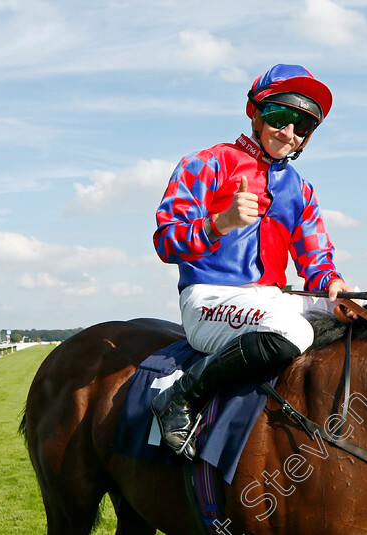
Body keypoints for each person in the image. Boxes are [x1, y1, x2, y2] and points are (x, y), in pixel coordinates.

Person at [151, 64, 354, 460]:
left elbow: (316, 260)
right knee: (292, 331)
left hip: (270, 300)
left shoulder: (300, 188)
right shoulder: (209, 162)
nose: (289, 132)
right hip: (209, 300)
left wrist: (333, 283)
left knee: (362, 317)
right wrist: (219, 224)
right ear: (256, 114)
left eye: (303, 127)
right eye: (281, 117)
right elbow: (165, 242)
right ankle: (180, 395)